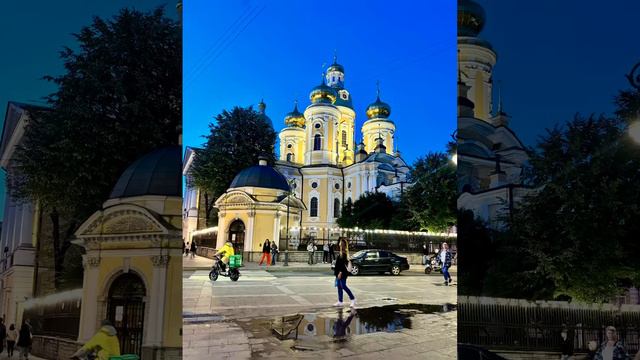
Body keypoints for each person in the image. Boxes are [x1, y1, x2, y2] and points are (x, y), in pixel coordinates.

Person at [333, 238, 356, 307]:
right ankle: (340, 301)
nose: (340, 244)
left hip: (342, 273)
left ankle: (352, 299)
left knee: (343, 286)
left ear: (343, 244)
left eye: (341, 243)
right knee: (339, 286)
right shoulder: (340, 252)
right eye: (340, 242)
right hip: (338, 272)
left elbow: (343, 264)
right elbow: (338, 263)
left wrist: (340, 273)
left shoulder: (345, 253)